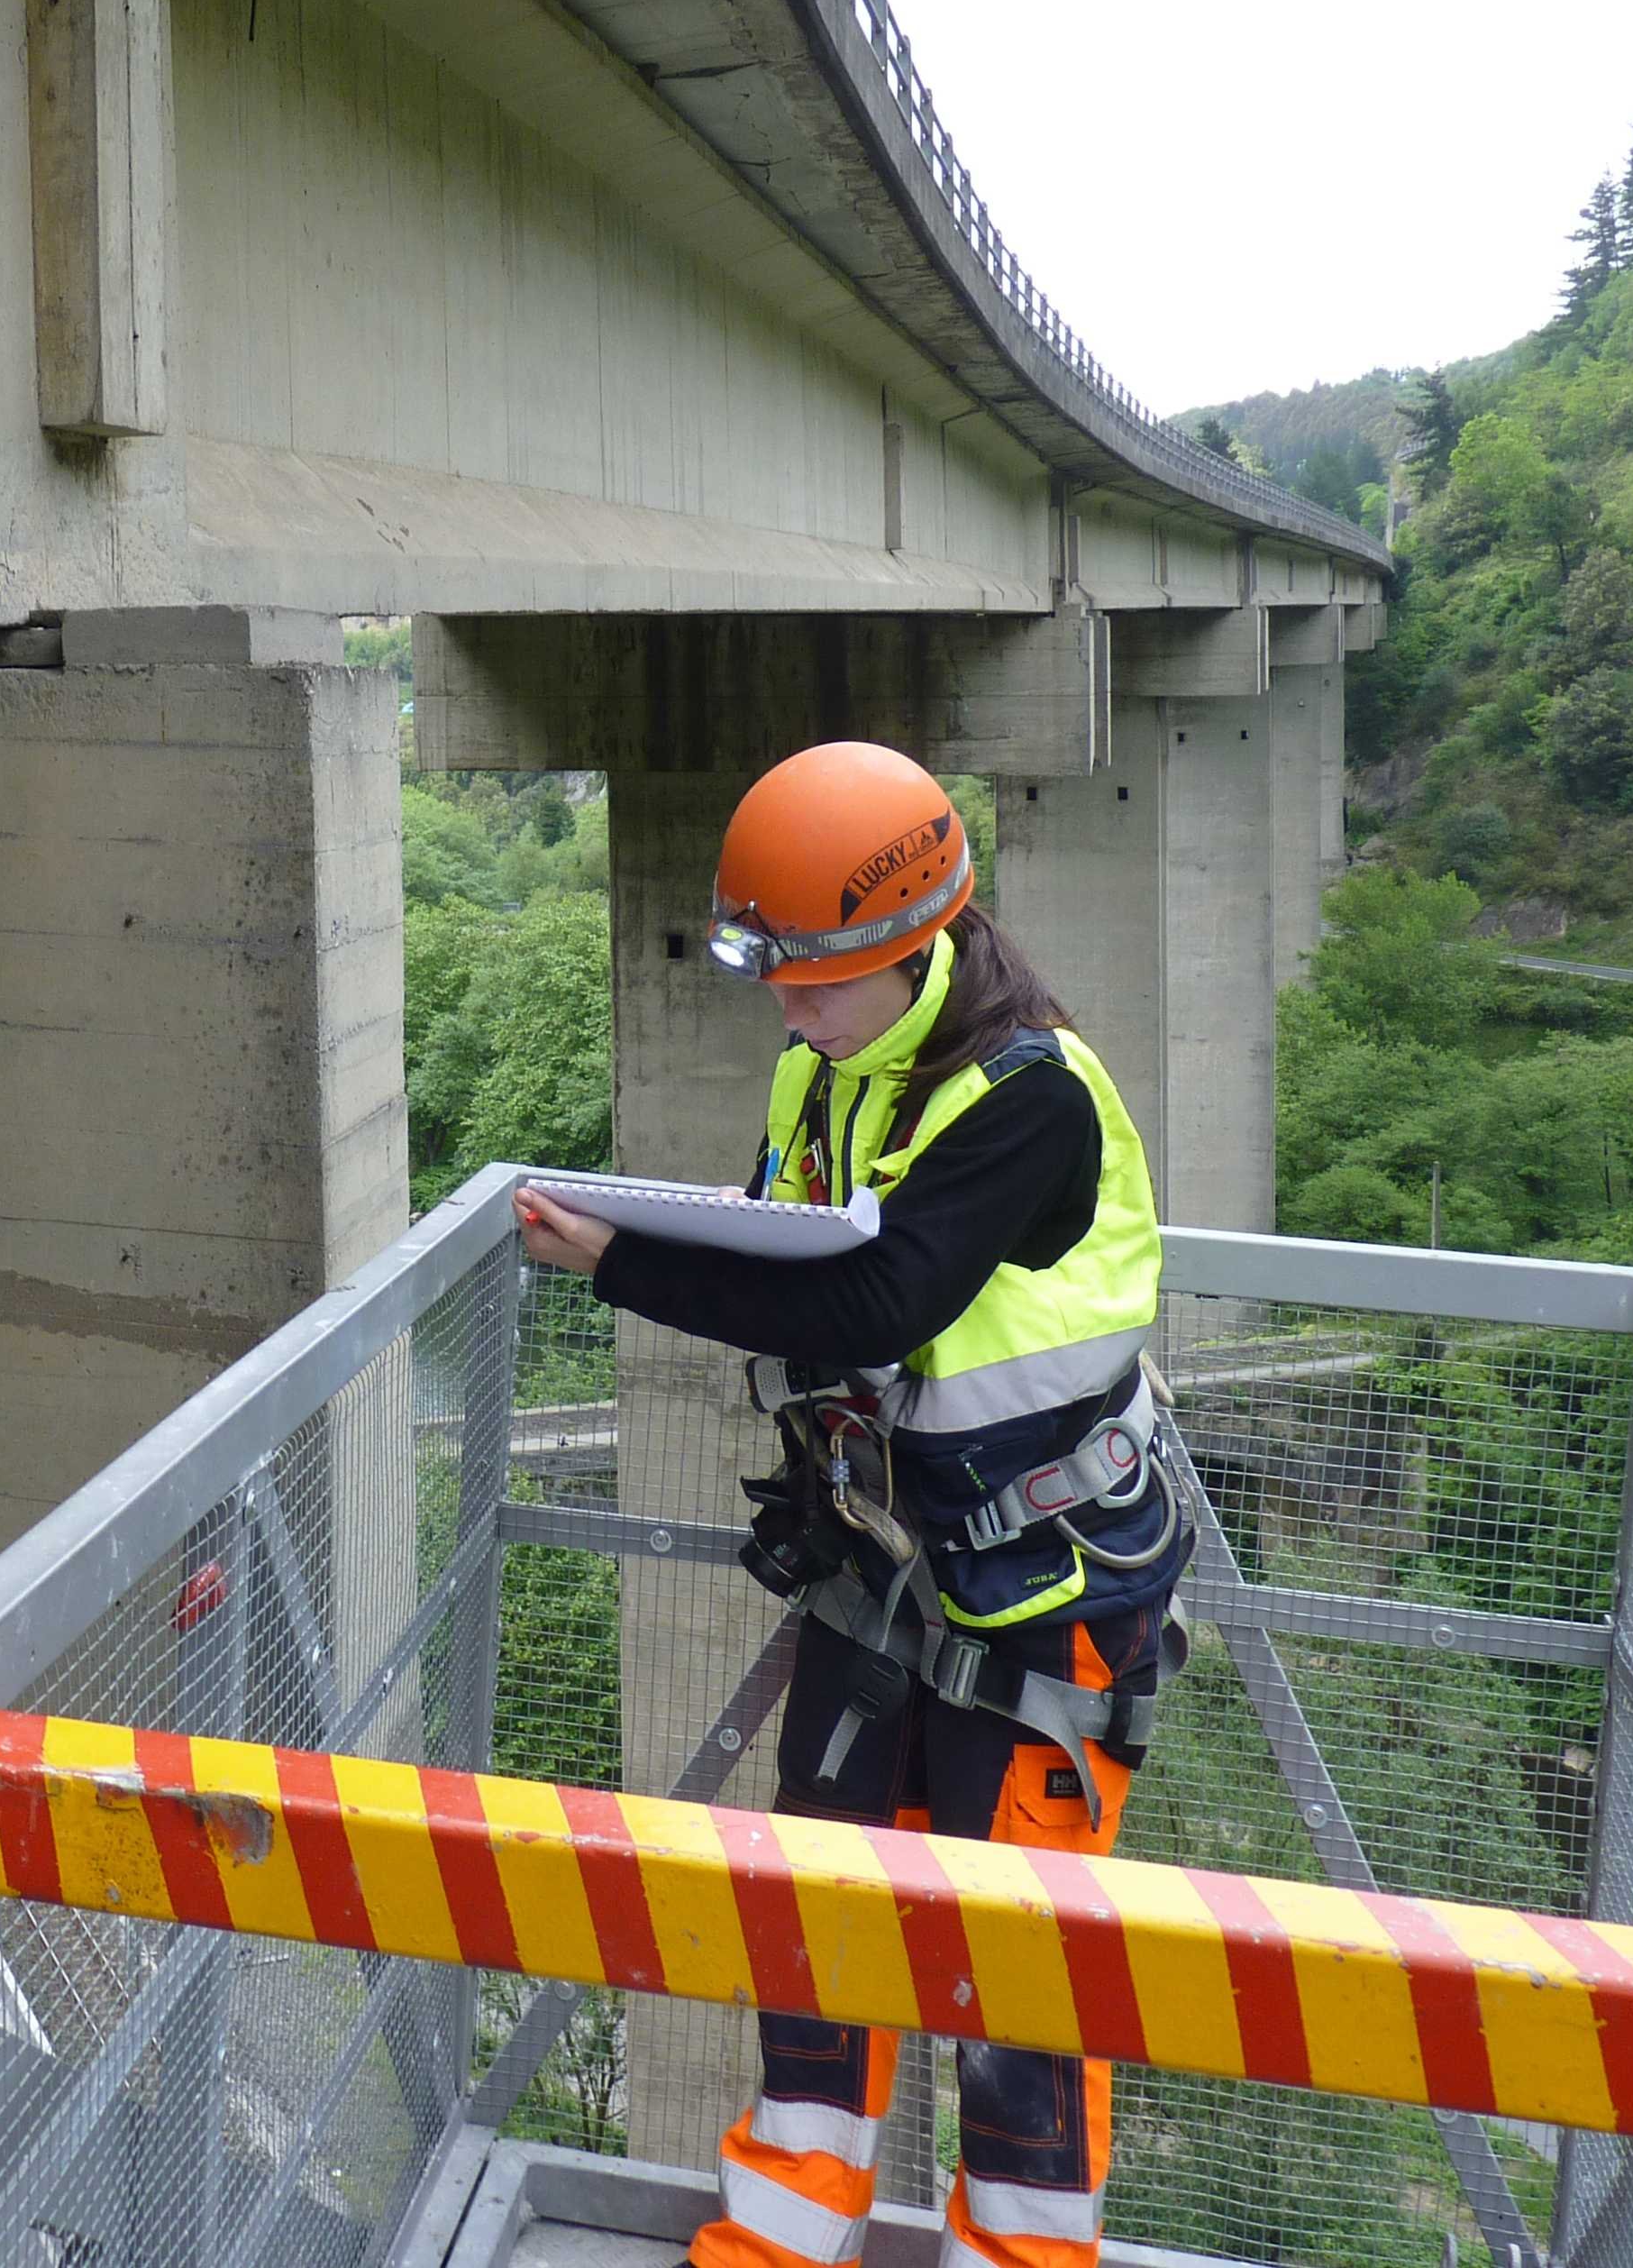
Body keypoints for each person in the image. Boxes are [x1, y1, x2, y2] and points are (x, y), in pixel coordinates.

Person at [515, 740, 1188, 2268]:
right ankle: (780, 2235)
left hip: (1045, 1587)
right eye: (777, 981)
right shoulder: (822, 1066)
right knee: (820, 1913)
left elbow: (876, 1299)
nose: (788, 1011)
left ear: (916, 948)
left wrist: (611, 1261)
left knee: (1013, 1964)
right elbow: (783, 1242)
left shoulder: (1032, 1098)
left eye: (814, 983)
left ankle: (1023, 2254)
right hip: (880, 1565)